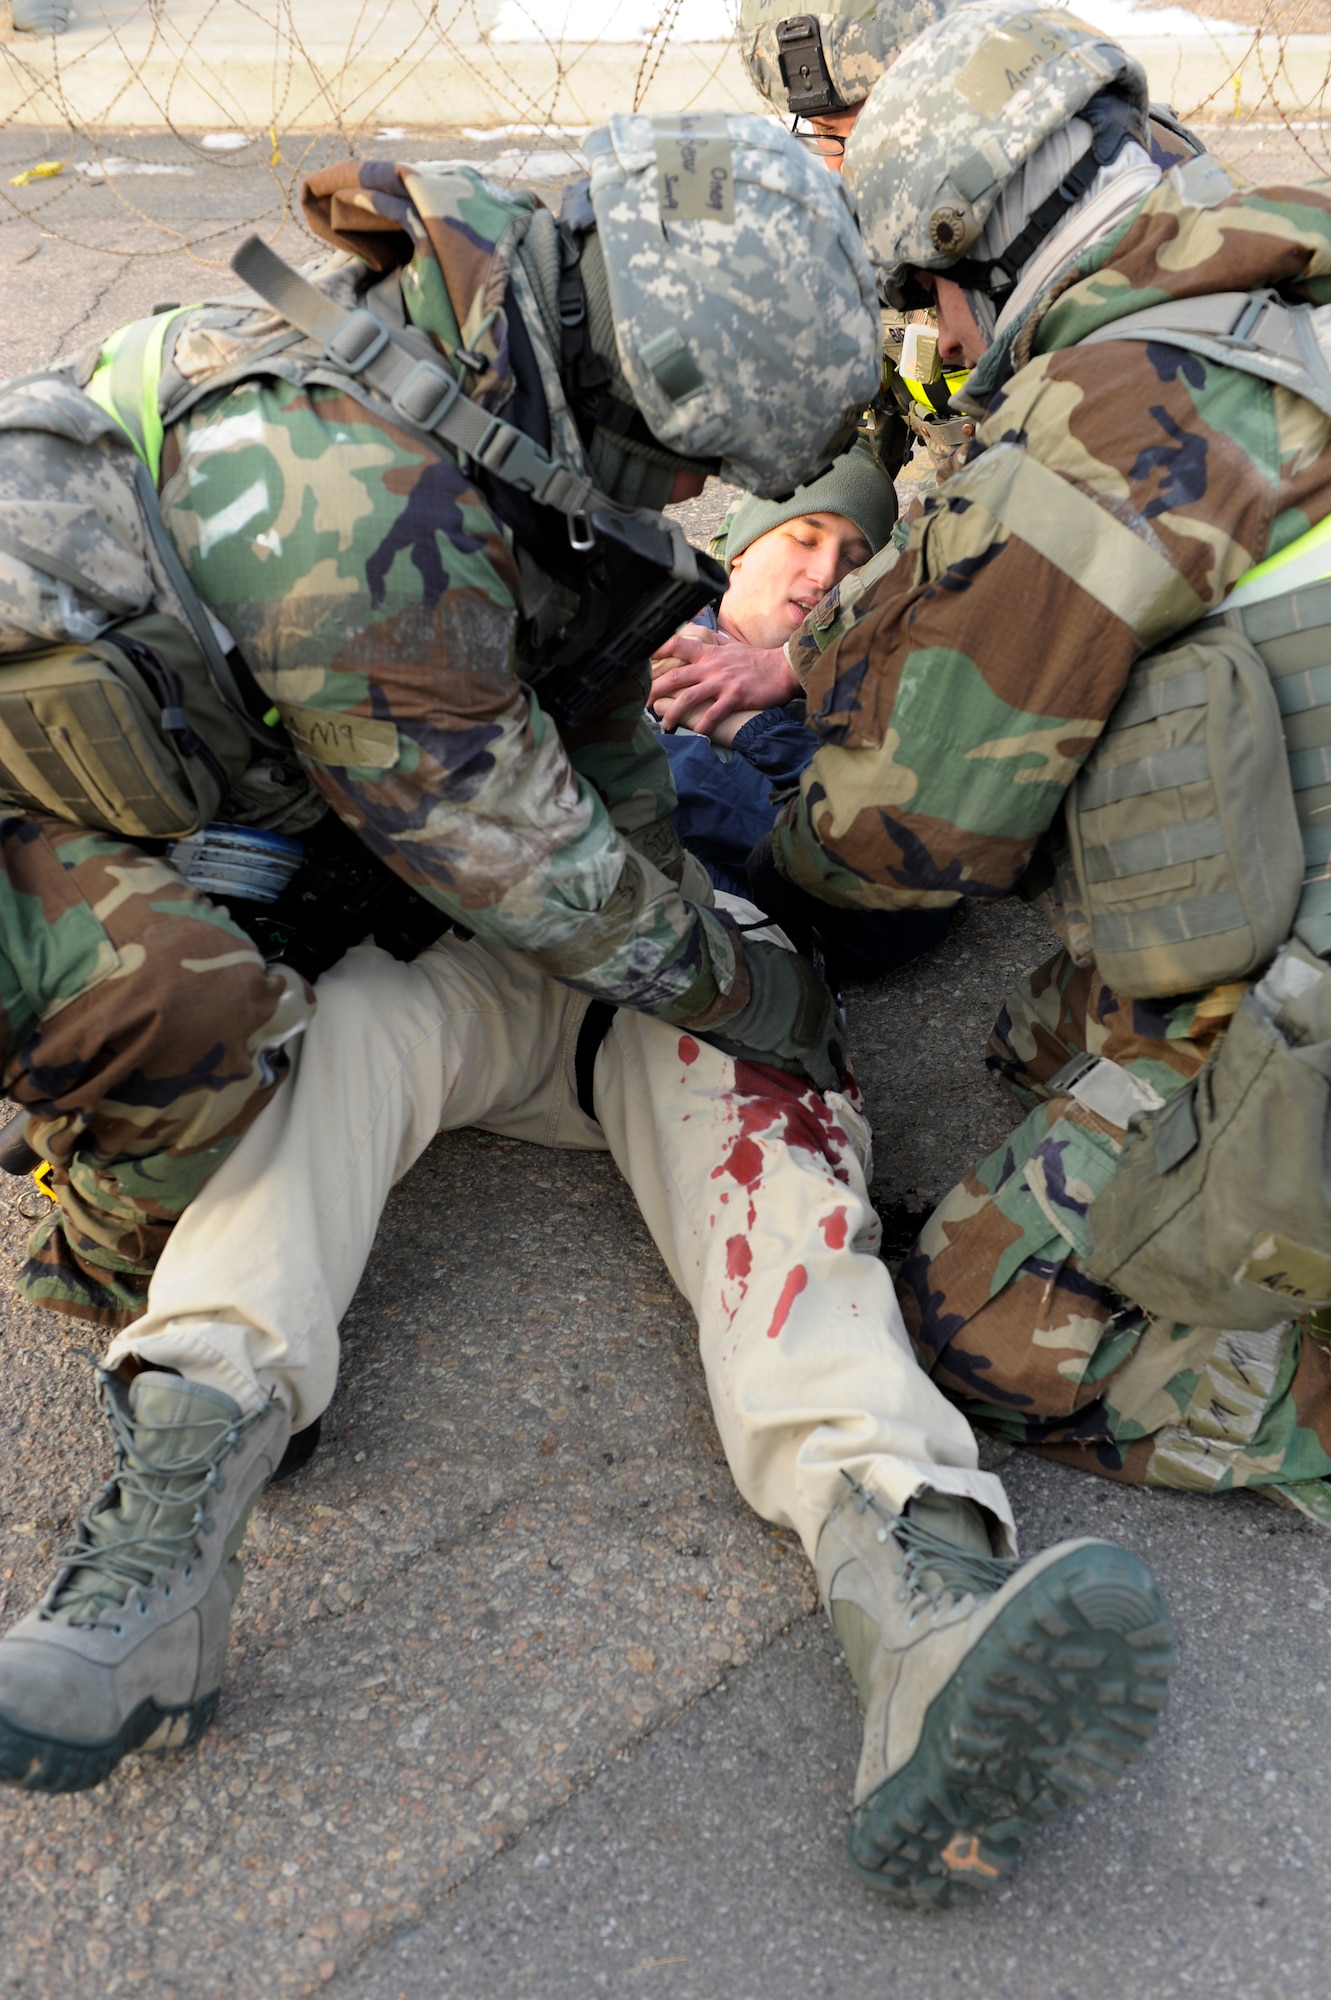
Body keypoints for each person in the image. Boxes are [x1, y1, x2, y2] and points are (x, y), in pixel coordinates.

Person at [0, 120, 1177, 1910]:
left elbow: (588, 751)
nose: (737, 533)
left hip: (552, 894)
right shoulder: (354, 485)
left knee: (769, 1154)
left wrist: (714, 917)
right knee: (325, 1053)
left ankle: (917, 1582)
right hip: (397, 888)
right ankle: (166, 1518)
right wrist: (744, 958)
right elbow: (527, 860)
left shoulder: (524, 382)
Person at [0, 114, 879, 1331]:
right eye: (694, 463)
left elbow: (589, 696)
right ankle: (101, 1254)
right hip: (21, 795)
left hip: (144, 740)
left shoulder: (478, 354)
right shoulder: (365, 514)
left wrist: (671, 889)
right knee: (202, 1012)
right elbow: (534, 871)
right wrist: (756, 998)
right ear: (635, 385)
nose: (695, 494)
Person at [742, 0, 1331, 1522]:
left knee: (975, 1320)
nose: (936, 344)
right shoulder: (1276, 271)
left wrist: (752, 867)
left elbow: (901, 838)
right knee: (1049, 1024)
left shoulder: (1110, 418)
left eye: (929, 301)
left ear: (977, 253)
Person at [649, 0, 1208, 737]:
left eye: (871, 120)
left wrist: (801, 655)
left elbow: (1009, 507)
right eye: (821, 132)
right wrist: (760, 574)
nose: (845, 160)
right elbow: (830, 430)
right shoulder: (823, 195)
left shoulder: (1082, 179)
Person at [653, 441, 950, 975]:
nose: (826, 574)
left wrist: (749, 727)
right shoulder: (637, 639)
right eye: (803, 538)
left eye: (857, 561)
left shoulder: (868, 712)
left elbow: (902, 909)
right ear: (739, 549)